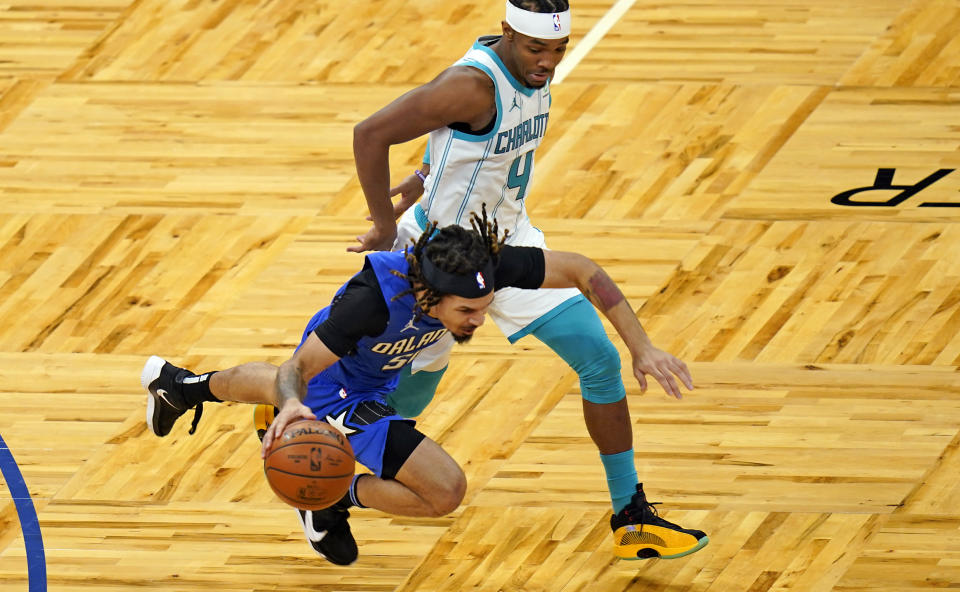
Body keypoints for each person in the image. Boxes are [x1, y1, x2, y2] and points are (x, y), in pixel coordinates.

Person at [347, 0, 697, 558]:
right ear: (509, 34)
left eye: (558, 50)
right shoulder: (471, 87)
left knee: (600, 359)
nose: (548, 62)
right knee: (404, 393)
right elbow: (370, 133)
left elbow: (451, 146)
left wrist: (417, 179)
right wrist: (388, 222)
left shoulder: (530, 73)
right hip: (443, 258)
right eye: (536, 48)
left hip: (508, 241)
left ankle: (631, 516)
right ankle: (321, 459)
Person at [141, 212, 708, 565]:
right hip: (338, 387)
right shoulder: (372, 301)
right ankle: (323, 490)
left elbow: (586, 269)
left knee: (283, 389)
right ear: (426, 294)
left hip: (373, 378)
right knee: (445, 492)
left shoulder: (479, 267)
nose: (477, 321)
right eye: (467, 312)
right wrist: (293, 407)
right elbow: (297, 369)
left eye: (484, 309)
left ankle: (183, 388)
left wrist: (642, 347)